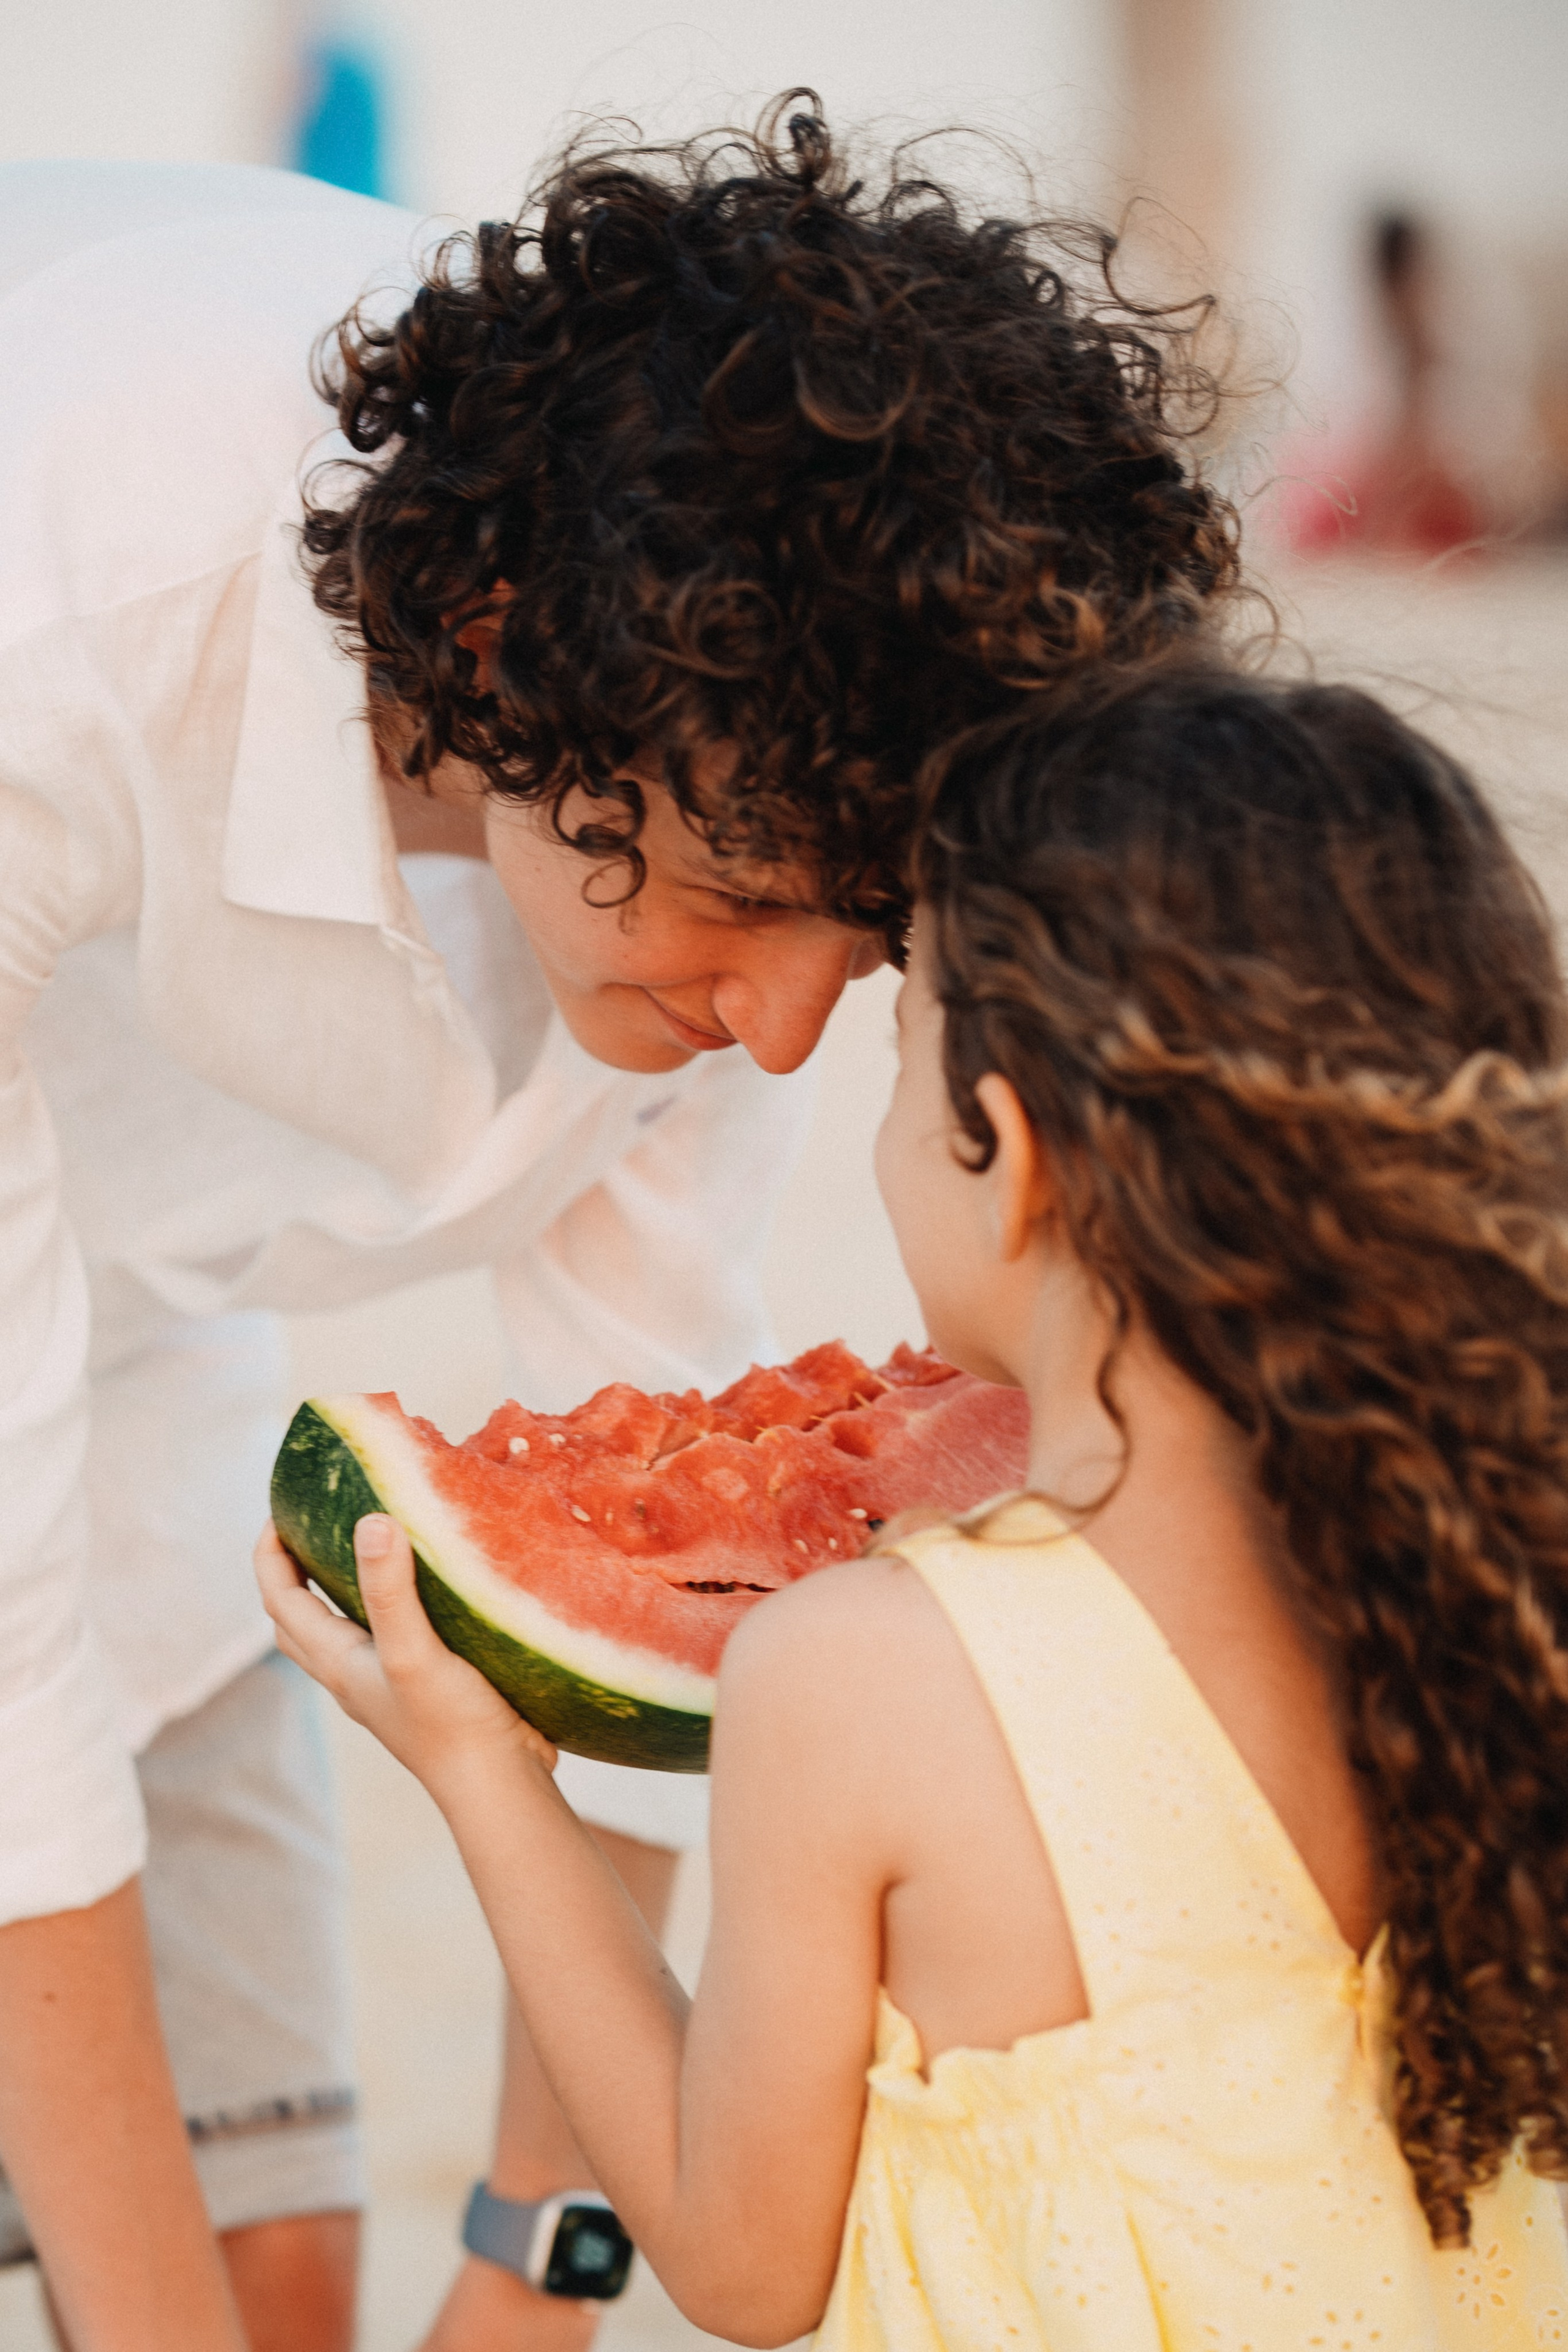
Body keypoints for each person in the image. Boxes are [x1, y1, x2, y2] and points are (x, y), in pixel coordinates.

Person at [0, 105, 1238, 2352]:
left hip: (147, 1312)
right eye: (746, 913)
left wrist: (536, 2266)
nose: (782, 1044)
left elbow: (671, 1609)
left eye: (852, 954)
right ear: (496, 643)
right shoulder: (60, 598)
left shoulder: (757, 695)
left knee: (288, 2289)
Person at [262, 667, 1568, 2347]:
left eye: (902, 1052)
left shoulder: (865, 1677)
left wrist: (483, 1773)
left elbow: (743, 2263)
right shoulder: (1492, 1591)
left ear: (1008, 1156)